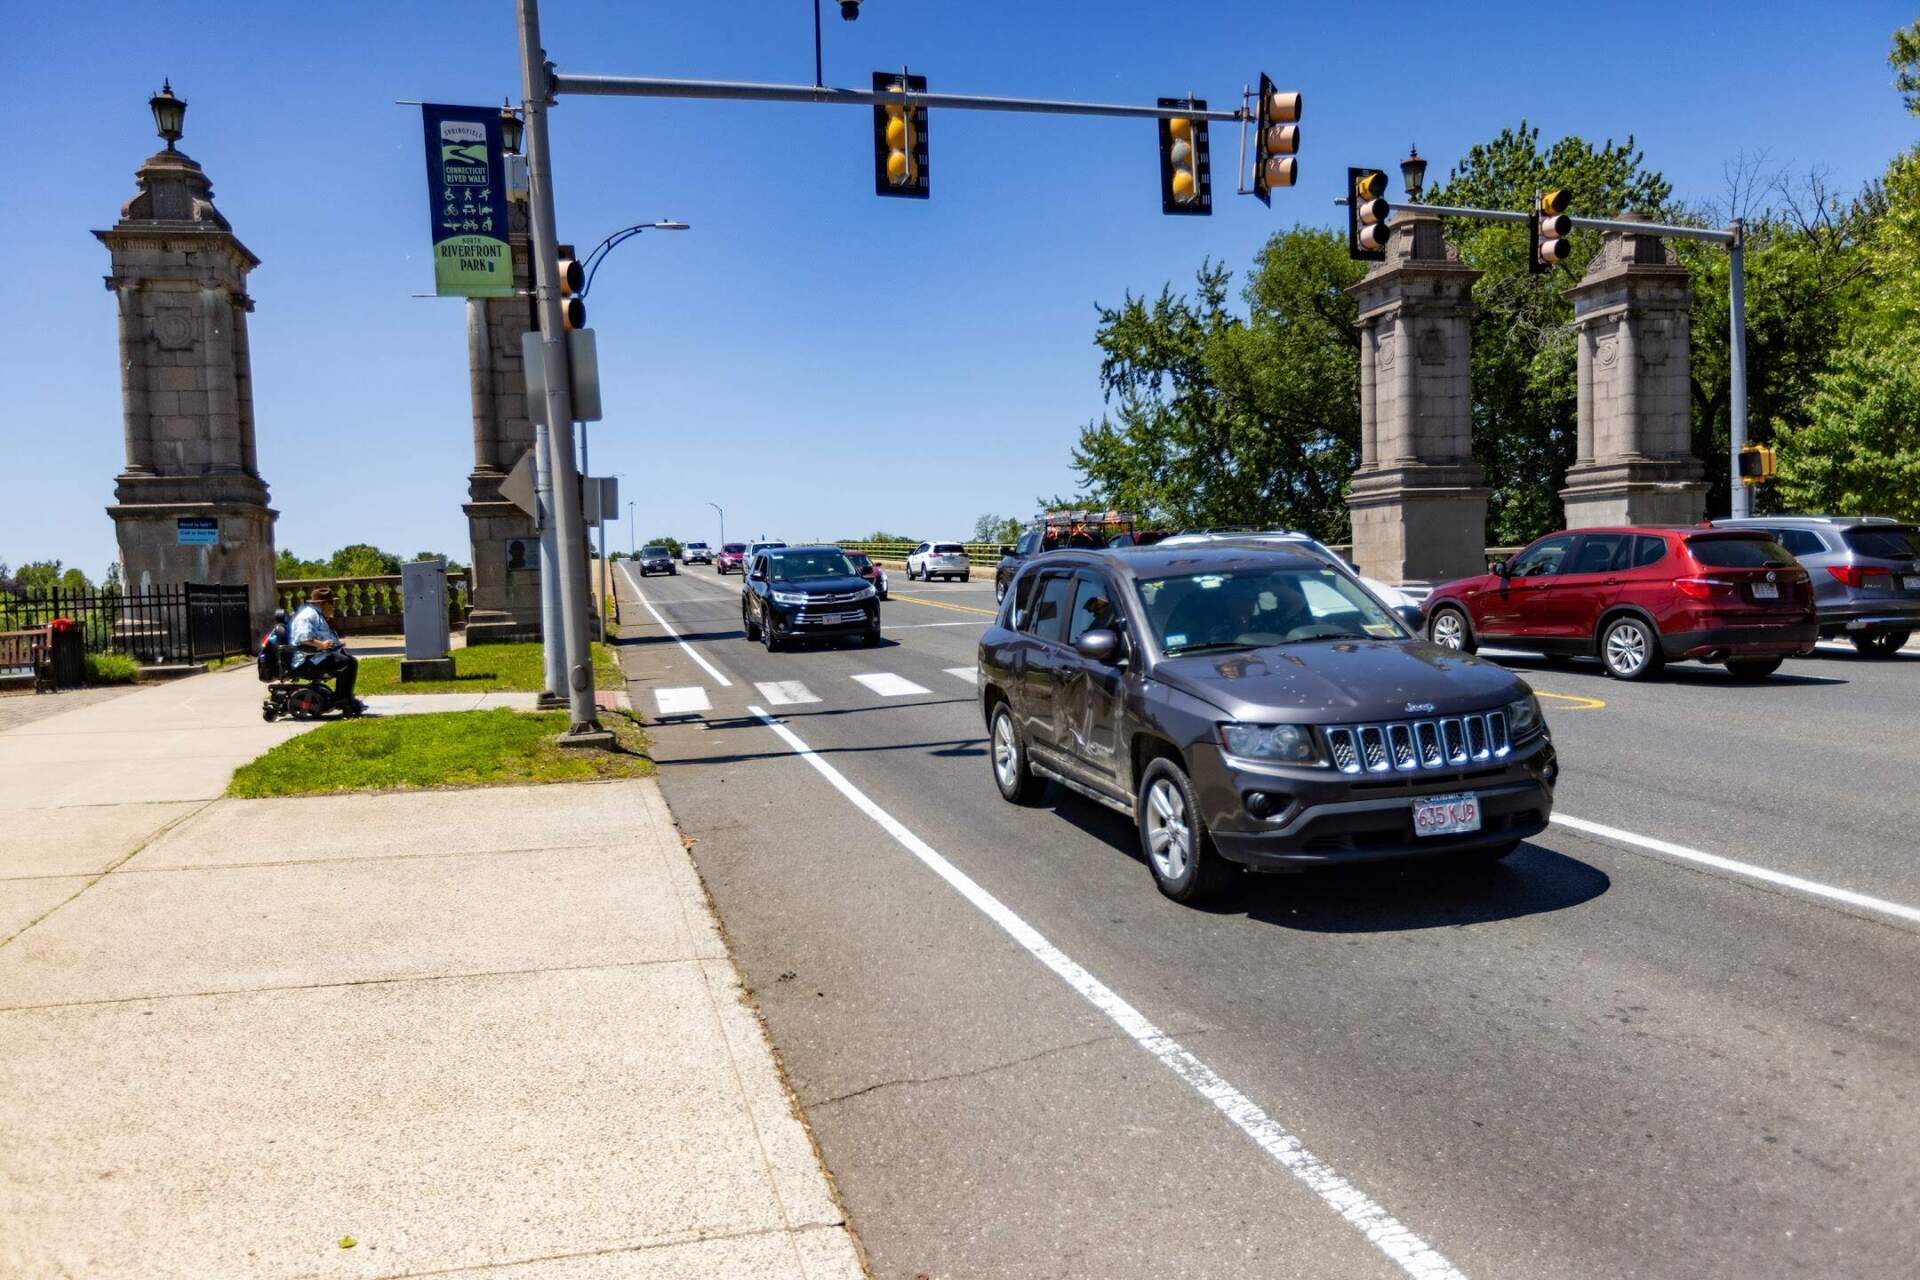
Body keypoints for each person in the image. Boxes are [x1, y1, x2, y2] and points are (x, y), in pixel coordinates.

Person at [289, 586, 362, 710]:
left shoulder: (318, 615)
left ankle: (344, 697)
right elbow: (303, 637)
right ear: (324, 604)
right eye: (332, 604)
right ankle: (342, 699)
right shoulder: (307, 616)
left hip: (318, 657)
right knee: (348, 663)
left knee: (348, 660)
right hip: (309, 661)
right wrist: (321, 645)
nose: (334, 607)